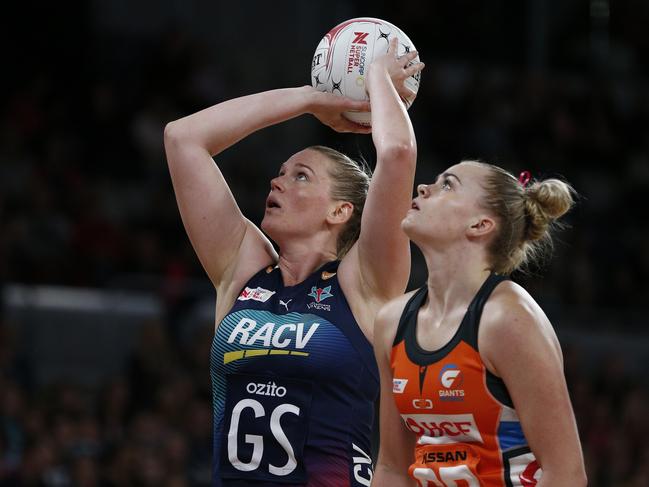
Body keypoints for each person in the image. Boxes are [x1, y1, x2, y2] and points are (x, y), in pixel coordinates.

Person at [164, 37, 424, 487]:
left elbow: (398, 156)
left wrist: (378, 78)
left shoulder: (364, 282)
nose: (277, 182)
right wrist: (309, 100)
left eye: (300, 176)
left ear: (340, 211)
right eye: (281, 172)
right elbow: (183, 138)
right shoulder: (243, 272)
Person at [371, 162, 587, 486]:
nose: (423, 188)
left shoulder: (508, 320)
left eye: (448, 185)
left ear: (480, 224)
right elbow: (391, 468)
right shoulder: (391, 322)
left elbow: (566, 474)